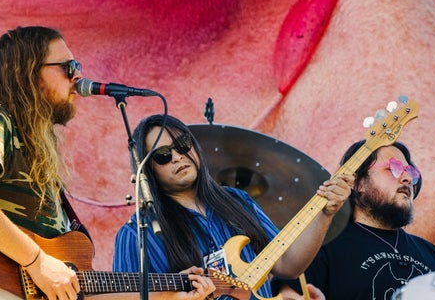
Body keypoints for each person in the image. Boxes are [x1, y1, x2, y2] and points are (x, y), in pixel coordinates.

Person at [0, 26, 215, 300]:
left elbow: (81, 291)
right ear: (27, 74)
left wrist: (169, 294)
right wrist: (36, 261)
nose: (78, 75)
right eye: (68, 66)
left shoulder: (35, 148)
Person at [112, 113, 354, 299]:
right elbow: (119, 296)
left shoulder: (237, 200)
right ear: (147, 170)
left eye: (183, 144)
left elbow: (287, 264)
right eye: (163, 154)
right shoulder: (135, 234)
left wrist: (326, 212)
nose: (177, 156)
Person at [271, 140, 435, 300]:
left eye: (410, 172)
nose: (407, 178)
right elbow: (288, 295)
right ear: (358, 183)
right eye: (393, 168)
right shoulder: (319, 245)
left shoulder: (433, 254)